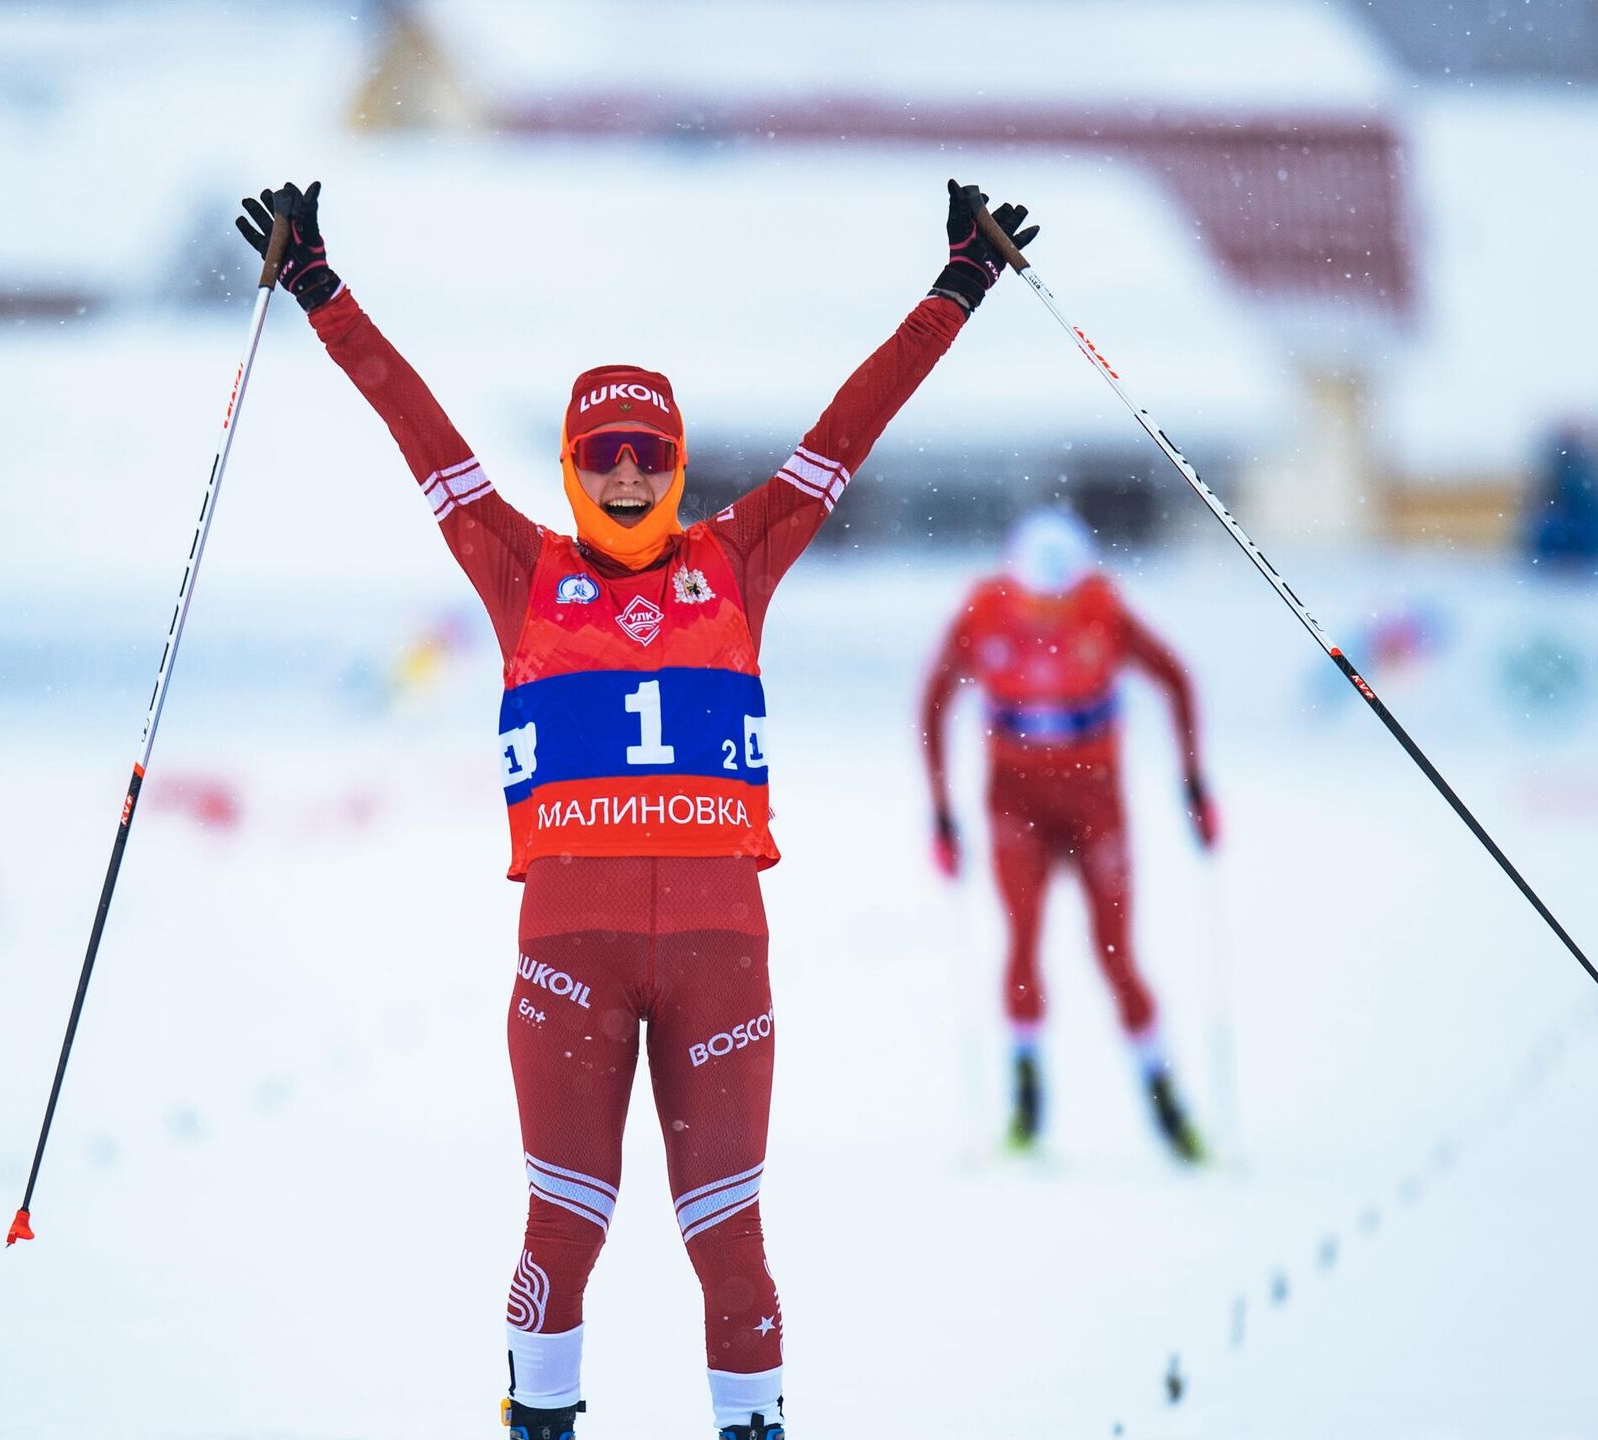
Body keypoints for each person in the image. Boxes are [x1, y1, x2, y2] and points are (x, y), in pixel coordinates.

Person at [237, 178, 1039, 1440]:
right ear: (569, 465)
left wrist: (959, 287)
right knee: (564, 1228)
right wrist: (320, 291)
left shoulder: (741, 554)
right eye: (601, 454)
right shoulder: (518, 567)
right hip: (571, 957)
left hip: (722, 956)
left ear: (676, 465)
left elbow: (853, 425)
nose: (624, 476)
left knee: (730, 1241)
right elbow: (418, 426)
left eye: (647, 455)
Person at [919, 510, 1216, 1161]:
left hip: (1095, 803)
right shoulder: (983, 613)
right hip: (1015, 803)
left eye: (1060, 601)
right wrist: (940, 812)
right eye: (1035, 601)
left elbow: (1175, 679)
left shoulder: (1104, 611)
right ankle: (1026, 1101)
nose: (1047, 615)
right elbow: (935, 699)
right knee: (1022, 940)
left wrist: (1194, 785)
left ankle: (1165, 1096)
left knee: (1116, 952)